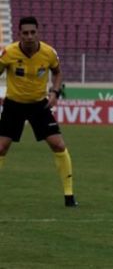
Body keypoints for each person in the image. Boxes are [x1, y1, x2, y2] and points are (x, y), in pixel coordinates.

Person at [0, 16, 77, 207]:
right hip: (14, 105)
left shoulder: (48, 53)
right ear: (19, 34)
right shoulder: (8, 53)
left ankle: (69, 196)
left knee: (58, 145)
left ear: (38, 33)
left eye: (32, 32)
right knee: (1, 148)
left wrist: (55, 92)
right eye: (25, 33)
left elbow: (57, 72)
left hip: (38, 106)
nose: (29, 36)